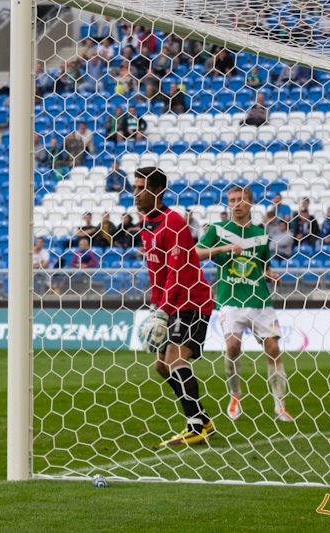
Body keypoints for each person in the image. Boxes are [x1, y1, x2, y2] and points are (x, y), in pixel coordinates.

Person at [134, 166, 215, 447]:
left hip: (192, 300)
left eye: (140, 188)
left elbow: (177, 271)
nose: (135, 194)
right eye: (134, 188)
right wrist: (156, 306)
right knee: (161, 366)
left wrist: (163, 309)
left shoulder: (174, 223)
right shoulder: (147, 224)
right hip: (169, 302)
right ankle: (202, 419)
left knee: (175, 360)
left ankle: (195, 427)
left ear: (158, 191)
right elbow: (156, 271)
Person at [196, 186, 291, 422]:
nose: (236, 204)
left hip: (259, 299)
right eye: (231, 200)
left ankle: (280, 406)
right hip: (230, 299)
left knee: (273, 348)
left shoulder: (261, 234)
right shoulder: (217, 230)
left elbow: (263, 266)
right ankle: (235, 394)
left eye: (240, 200)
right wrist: (223, 248)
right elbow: (195, 253)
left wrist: (271, 275)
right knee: (232, 346)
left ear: (250, 204)